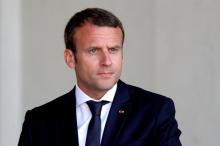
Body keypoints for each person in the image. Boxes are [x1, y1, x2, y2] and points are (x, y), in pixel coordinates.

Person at [18, 8, 182, 146]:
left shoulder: (155, 111)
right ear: (70, 58)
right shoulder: (39, 122)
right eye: (93, 51)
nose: (107, 61)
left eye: (113, 50)